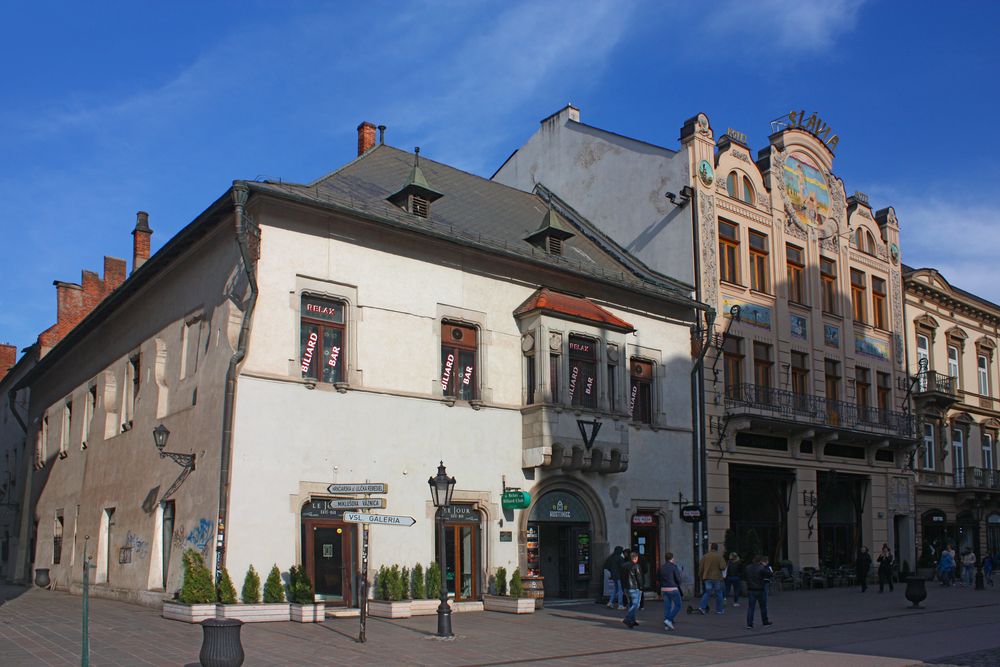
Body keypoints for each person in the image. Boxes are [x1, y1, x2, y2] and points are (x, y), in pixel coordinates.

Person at [695, 543, 727, 615]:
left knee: (707, 592)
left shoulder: (705, 556)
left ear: (710, 548)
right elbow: (723, 567)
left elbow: (701, 567)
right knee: (719, 593)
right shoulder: (719, 557)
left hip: (707, 577)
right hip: (716, 577)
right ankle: (719, 610)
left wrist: (700, 575)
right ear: (717, 548)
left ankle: (702, 607)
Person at [744, 555, 773, 630]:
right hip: (760, 589)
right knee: (763, 607)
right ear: (760, 561)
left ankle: (749, 624)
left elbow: (744, 576)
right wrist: (766, 567)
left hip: (751, 589)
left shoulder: (748, 567)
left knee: (751, 607)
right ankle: (765, 622)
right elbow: (770, 574)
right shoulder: (762, 568)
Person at [658, 552, 683, 631]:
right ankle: (668, 619)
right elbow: (678, 579)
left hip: (664, 589)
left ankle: (667, 625)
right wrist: (678, 583)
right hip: (673, 588)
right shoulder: (674, 567)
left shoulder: (661, 567)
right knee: (678, 605)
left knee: (667, 607)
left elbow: (658, 578)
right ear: (672, 559)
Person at [622, 551, 643, 628]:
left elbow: (622, 577)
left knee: (631, 604)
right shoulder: (636, 566)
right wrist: (641, 587)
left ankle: (632, 620)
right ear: (635, 558)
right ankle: (627, 618)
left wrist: (623, 587)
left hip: (626, 588)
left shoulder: (623, 565)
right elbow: (639, 578)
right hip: (634, 587)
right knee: (636, 605)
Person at [603, 546, 625, 610]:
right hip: (619, 576)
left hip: (613, 575)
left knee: (615, 589)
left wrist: (612, 572)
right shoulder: (620, 558)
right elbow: (622, 568)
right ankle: (620, 604)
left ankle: (610, 602)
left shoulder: (611, 558)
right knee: (620, 590)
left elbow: (607, 566)